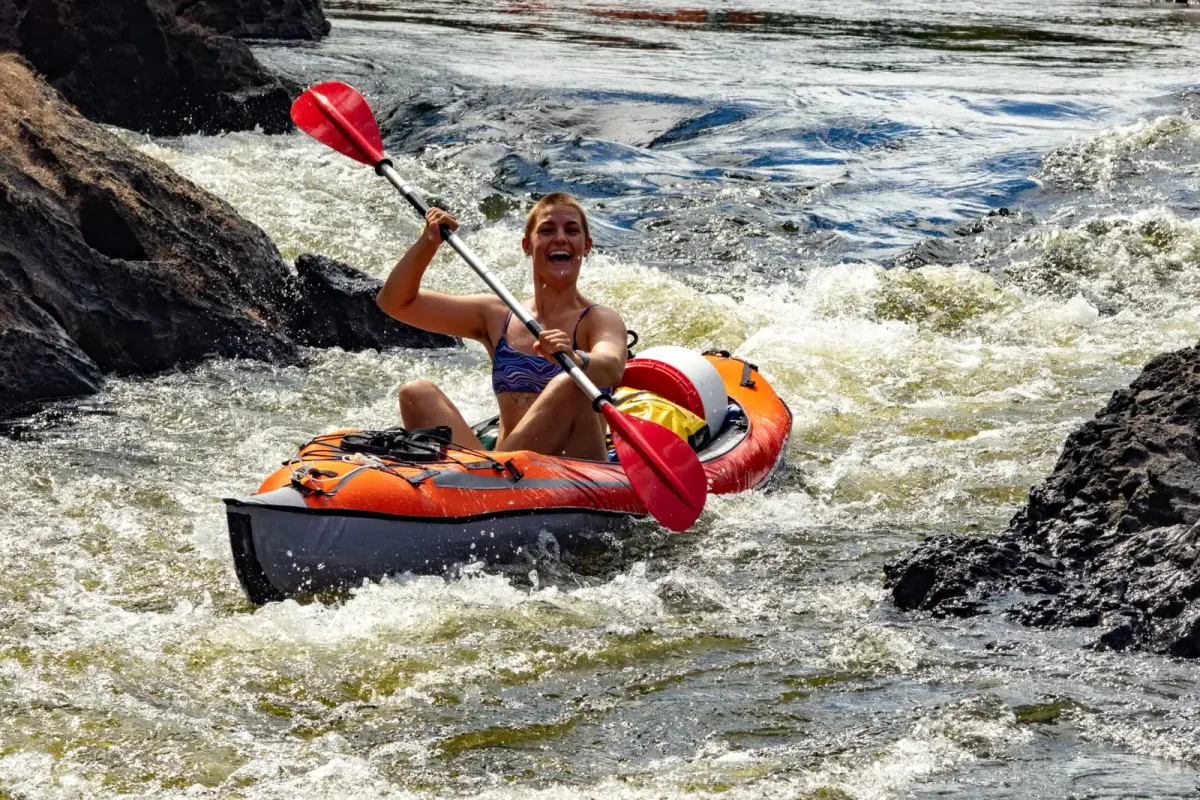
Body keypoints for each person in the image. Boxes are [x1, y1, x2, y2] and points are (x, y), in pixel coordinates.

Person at [376, 193, 628, 461]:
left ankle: (484, 476)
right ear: (527, 245)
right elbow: (394, 302)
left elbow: (611, 366)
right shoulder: (497, 315)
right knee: (416, 393)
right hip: (504, 477)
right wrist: (429, 243)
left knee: (571, 381)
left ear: (586, 245)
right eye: (546, 230)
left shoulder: (598, 318)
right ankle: (483, 477)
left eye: (572, 230)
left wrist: (576, 358)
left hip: (577, 470)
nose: (560, 238)